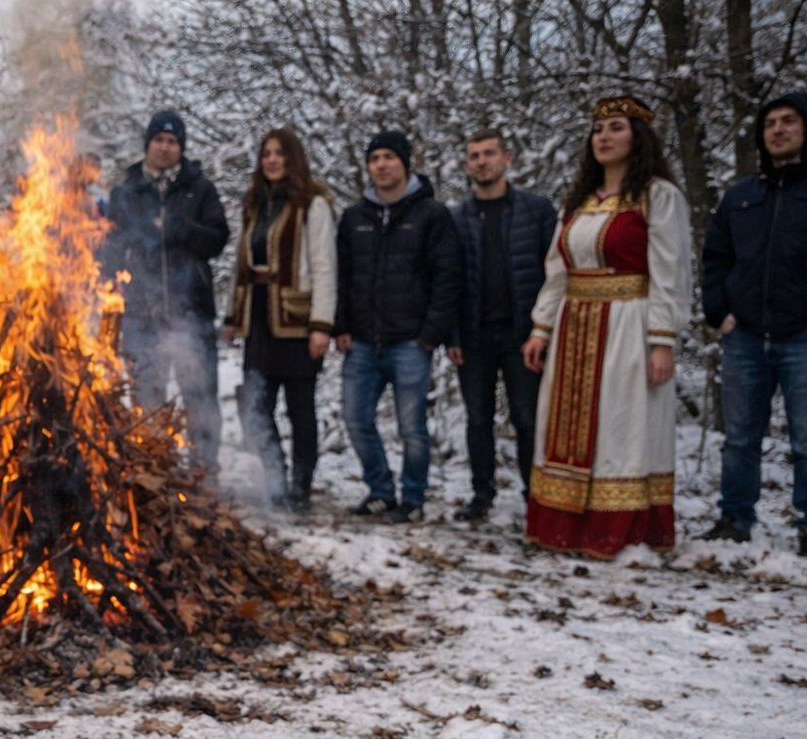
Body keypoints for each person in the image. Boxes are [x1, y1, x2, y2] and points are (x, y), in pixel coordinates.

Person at [521, 96, 690, 558]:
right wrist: (541, 328)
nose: (604, 137)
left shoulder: (657, 196)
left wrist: (662, 339)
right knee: (563, 431)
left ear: (638, 138)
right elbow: (558, 270)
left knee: (620, 428)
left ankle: (617, 532)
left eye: (616, 127)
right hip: (574, 326)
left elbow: (669, 272)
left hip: (627, 326)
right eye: (598, 129)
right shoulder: (578, 202)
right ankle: (564, 527)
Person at [701, 92, 807, 557]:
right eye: (770, 124)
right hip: (744, 334)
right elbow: (715, 258)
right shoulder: (742, 195)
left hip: (803, 336)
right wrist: (717, 312)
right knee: (740, 436)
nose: (778, 130)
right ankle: (735, 517)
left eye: (788, 121)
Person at [334, 130, 461, 523]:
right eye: (375, 159)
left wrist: (430, 334)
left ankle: (413, 498)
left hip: (410, 342)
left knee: (411, 427)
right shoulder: (355, 218)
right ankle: (380, 491)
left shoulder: (431, 214)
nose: (382, 165)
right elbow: (342, 275)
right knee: (356, 418)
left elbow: (448, 278)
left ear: (405, 163)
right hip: (361, 342)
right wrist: (341, 326)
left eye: (389, 157)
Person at [106, 111, 230, 471]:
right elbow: (110, 246)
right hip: (141, 314)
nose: (164, 147)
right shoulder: (127, 191)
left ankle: (204, 471)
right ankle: (154, 468)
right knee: (147, 394)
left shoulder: (200, 188)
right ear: (147, 145)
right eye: (158, 140)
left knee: (200, 395)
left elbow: (218, 239)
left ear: (181, 147)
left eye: (172, 141)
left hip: (191, 310)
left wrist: (181, 227)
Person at [222, 128, 337, 511]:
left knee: (301, 409)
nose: (271, 160)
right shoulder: (254, 203)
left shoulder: (313, 203)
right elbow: (242, 266)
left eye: (279, 153)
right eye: (265, 153)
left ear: (293, 158)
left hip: (296, 319)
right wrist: (232, 315)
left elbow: (323, 266)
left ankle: (299, 488)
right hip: (257, 318)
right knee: (256, 406)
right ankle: (275, 477)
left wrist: (322, 324)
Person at [448, 129, 558, 521]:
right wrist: (453, 335)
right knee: (478, 419)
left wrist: (543, 330)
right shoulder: (457, 218)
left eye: (489, 153)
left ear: (506, 158)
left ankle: (535, 495)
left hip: (523, 335)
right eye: (474, 155)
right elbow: (450, 281)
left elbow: (555, 273)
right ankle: (482, 495)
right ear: (466, 165)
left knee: (527, 417)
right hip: (474, 336)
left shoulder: (536, 211)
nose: (482, 161)